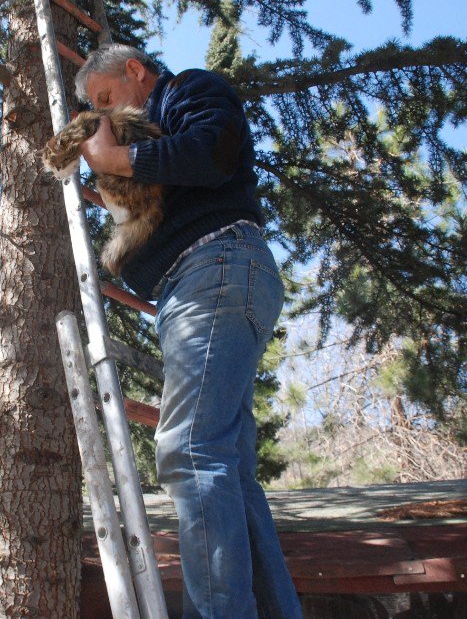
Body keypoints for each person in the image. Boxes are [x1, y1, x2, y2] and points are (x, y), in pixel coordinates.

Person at [75, 44, 302, 619]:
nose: (104, 117)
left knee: (190, 450)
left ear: (134, 70)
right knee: (231, 472)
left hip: (215, 269)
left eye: (106, 99)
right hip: (210, 280)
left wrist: (120, 161)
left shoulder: (188, 91)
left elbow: (214, 150)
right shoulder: (153, 130)